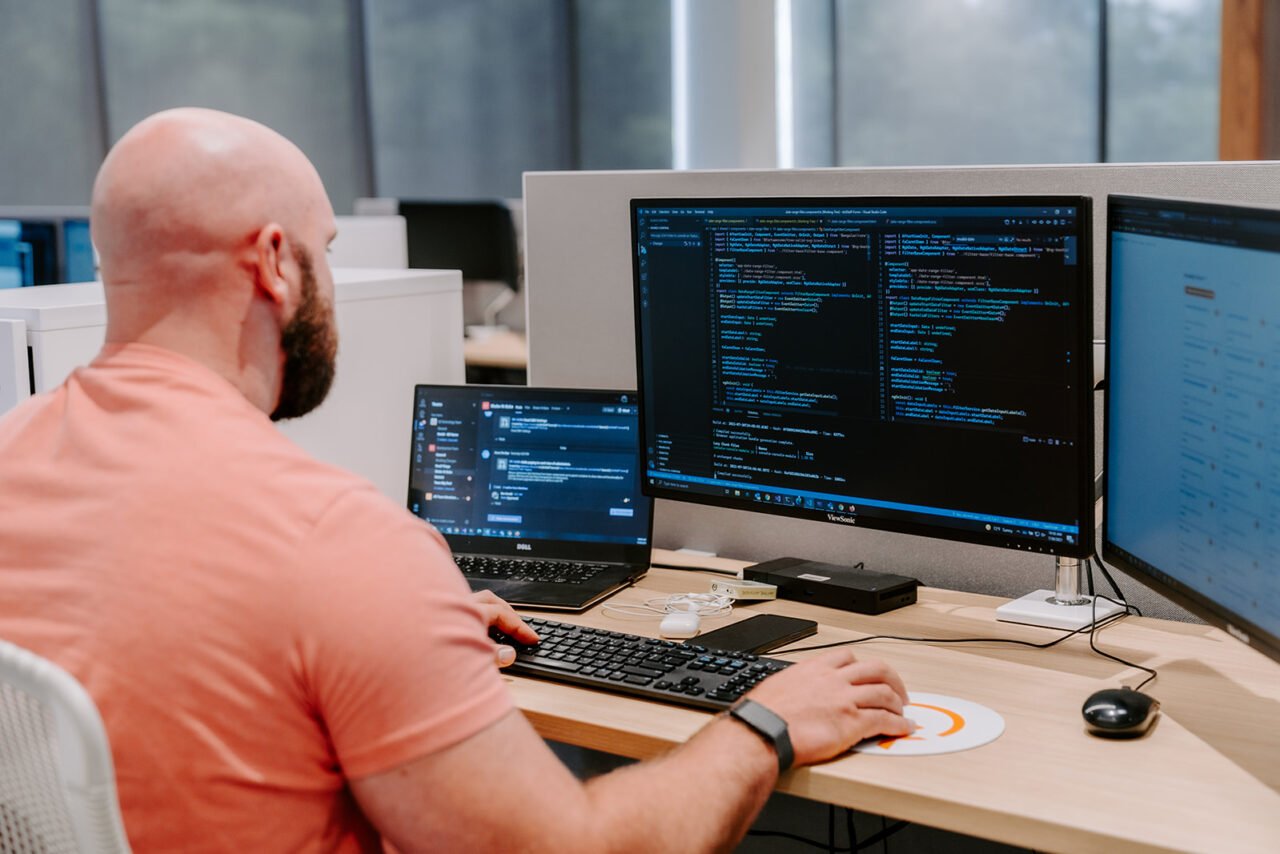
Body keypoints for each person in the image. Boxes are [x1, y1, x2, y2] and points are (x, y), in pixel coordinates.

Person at [0, 108, 912, 852]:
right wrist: (767, 721)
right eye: (326, 254)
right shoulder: (338, 543)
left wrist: (403, 634)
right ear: (276, 264)